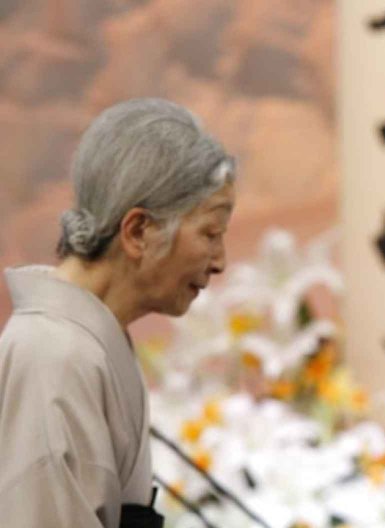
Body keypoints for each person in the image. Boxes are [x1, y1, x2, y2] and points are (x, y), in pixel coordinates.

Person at [0, 98, 236, 527]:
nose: (219, 261)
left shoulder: (85, 344)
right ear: (139, 231)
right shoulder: (52, 356)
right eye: (210, 233)